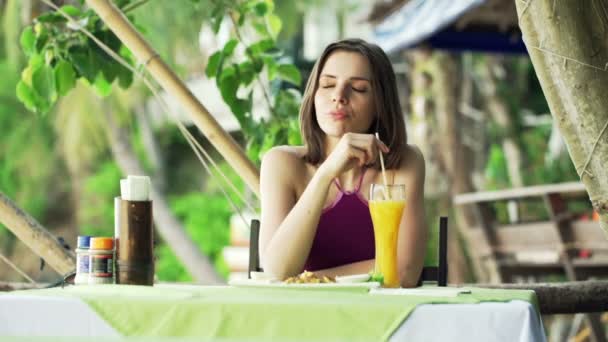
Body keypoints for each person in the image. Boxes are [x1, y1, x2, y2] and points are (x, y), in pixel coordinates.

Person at [259, 38, 428, 287]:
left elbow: (403, 271)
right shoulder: (282, 164)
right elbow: (277, 270)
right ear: (313, 95)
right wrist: (326, 174)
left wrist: (307, 280)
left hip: (383, 318)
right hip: (301, 318)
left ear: (380, 104)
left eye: (358, 88)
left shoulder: (403, 163)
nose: (339, 96)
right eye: (327, 85)